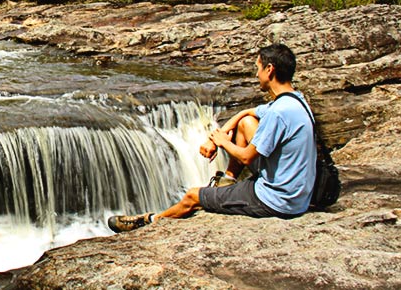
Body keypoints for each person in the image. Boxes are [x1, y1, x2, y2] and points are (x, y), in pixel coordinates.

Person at [108, 44, 317, 232]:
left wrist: (223, 142)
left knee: (192, 196)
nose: (256, 74)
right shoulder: (295, 102)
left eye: (258, 67)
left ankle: (148, 221)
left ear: (269, 70)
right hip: (298, 194)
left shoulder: (277, 113)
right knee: (245, 124)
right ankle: (227, 182)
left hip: (277, 201)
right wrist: (213, 139)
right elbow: (244, 115)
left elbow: (246, 158)